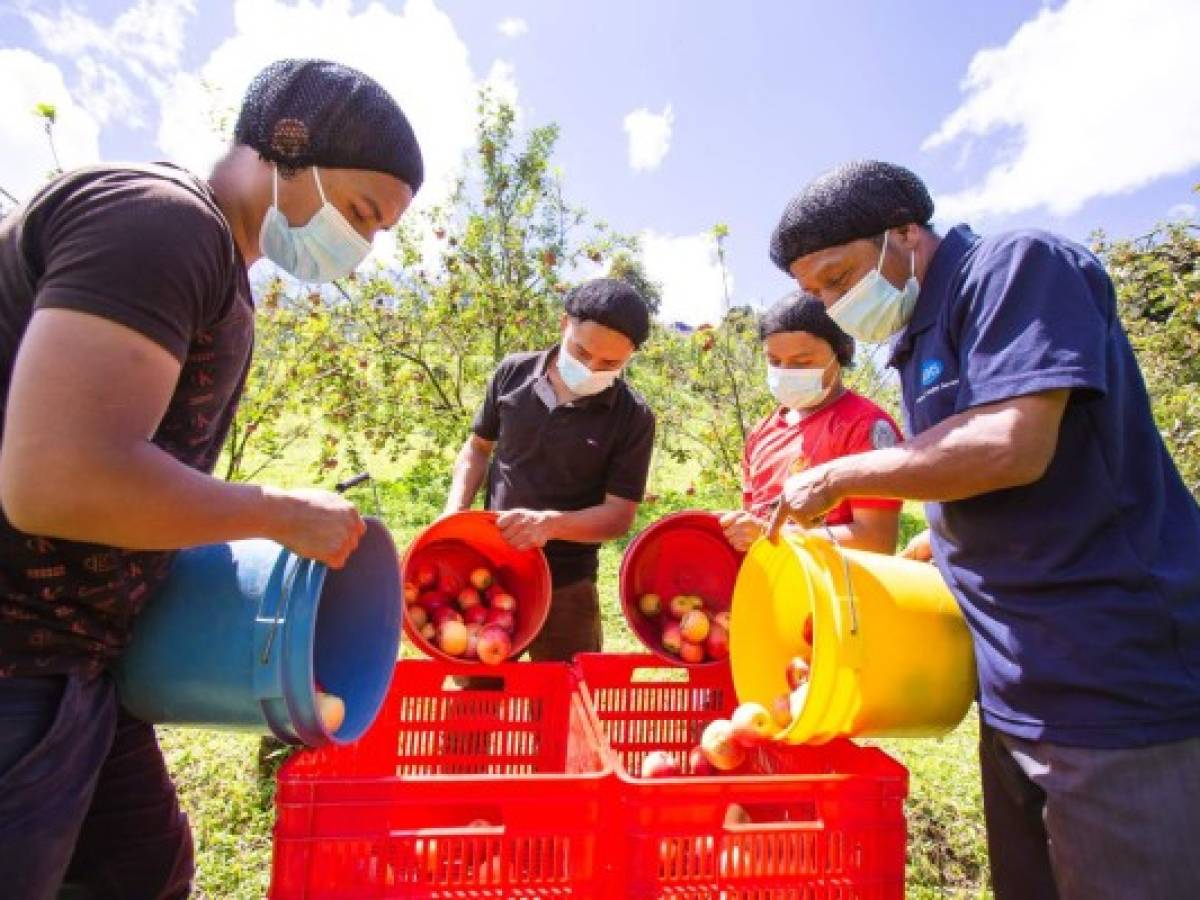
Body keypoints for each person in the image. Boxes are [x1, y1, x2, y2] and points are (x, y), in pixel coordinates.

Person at [0, 59, 424, 897]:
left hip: (80, 656)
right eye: (363, 213)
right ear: (290, 148)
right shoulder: (159, 224)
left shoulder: (217, 269)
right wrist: (270, 514)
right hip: (17, 657)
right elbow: (56, 476)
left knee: (147, 872)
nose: (363, 246)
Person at [766, 159, 1200, 900]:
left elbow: (1012, 443)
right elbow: (967, 466)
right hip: (1016, 683)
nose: (835, 306)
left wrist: (841, 476)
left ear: (904, 233)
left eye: (839, 279)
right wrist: (944, 530)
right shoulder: (915, 336)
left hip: (1112, 676)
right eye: (817, 294)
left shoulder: (1018, 269)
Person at [444, 278, 655, 661]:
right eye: (582, 351)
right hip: (489, 569)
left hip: (567, 585)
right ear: (564, 325)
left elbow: (618, 516)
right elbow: (477, 449)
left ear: (630, 358)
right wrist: (455, 510)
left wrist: (550, 525)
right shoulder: (513, 373)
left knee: (564, 698)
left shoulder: (633, 418)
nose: (592, 367)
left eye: (610, 363)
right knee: (477, 699)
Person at [719, 292, 901, 554]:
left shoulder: (865, 426)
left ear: (841, 353)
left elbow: (877, 540)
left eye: (802, 362)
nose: (786, 372)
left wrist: (776, 535)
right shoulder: (762, 433)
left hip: (835, 591)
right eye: (774, 362)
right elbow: (752, 519)